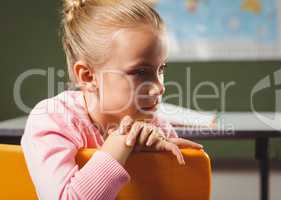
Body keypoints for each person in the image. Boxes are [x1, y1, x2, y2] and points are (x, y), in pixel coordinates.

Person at [21, 0, 203, 199]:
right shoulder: (53, 119)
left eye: (161, 69)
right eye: (140, 72)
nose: (160, 87)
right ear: (88, 76)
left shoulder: (156, 127)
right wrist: (123, 139)